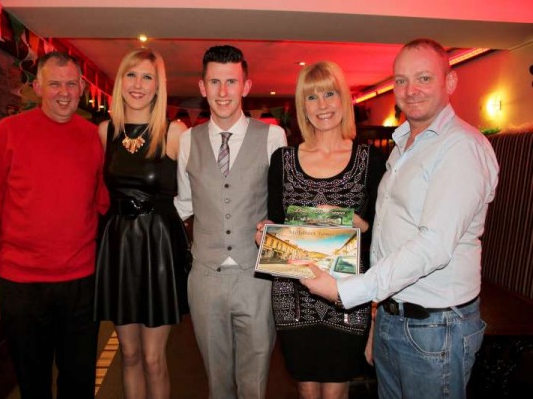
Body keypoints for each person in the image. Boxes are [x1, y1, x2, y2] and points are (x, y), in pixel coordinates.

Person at [301, 38, 499, 399]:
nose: (411, 90)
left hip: (436, 326)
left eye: (424, 78)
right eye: (402, 80)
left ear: (449, 82)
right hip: (396, 316)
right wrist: (378, 314)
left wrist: (347, 291)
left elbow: (433, 246)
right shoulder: (404, 144)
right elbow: (393, 232)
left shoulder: (461, 148)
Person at [0, 51, 108, 399]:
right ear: (38, 87)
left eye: (71, 84)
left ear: (82, 89)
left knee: (79, 383)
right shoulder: (10, 131)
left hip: (81, 283)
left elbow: (102, 201)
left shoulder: (93, 137)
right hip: (22, 284)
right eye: (55, 84)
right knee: (33, 384)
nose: (64, 92)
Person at [262, 61, 385, 399]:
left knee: (335, 392)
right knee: (305, 388)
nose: (323, 105)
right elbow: (276, 225)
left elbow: (381, 235)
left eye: (329, 94)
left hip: (348, 293)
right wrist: (264, 234)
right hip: (292, 292)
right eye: (312, 97)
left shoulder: (369, 160)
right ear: (303, 106)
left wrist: (349, 219)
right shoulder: (282, 159)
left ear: (343, 99)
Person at [175, 45, 287, 398]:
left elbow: (282, 205)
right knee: (216, 381)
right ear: (202, 86)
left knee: (254, 382)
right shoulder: (187, 141)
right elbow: (184, 204)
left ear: (246, 85)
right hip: (205, 278)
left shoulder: (272, 137)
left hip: (255, 277)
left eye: (231, 82)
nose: (223, 92)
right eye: (215, 82)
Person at [94, 48, 189, 399]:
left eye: (147, 76)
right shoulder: (105, 131)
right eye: (131, 75)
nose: (138, 84)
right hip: (119, 248)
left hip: (159, 250)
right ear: (120, 82)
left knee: (152, 359)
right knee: (129, 354)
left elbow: (194, 196)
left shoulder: (175, 132)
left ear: (158, 86)